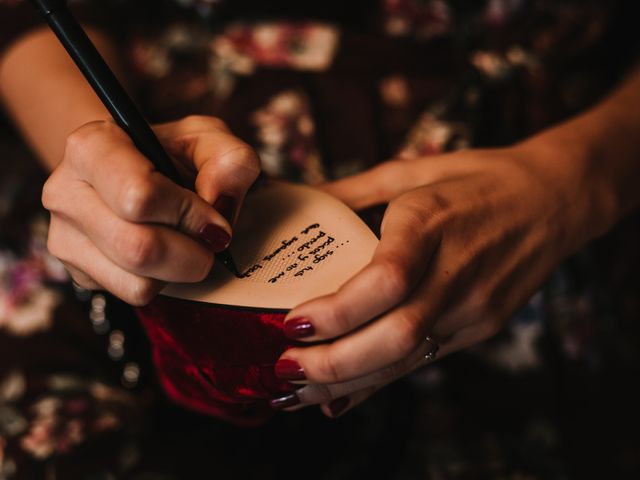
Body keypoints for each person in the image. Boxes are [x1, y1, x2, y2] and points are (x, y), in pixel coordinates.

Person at [1, 0, 639, 477]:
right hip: (148, 207)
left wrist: (578, 183)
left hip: (554, 196)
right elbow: (33, 19)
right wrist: (102, 167)